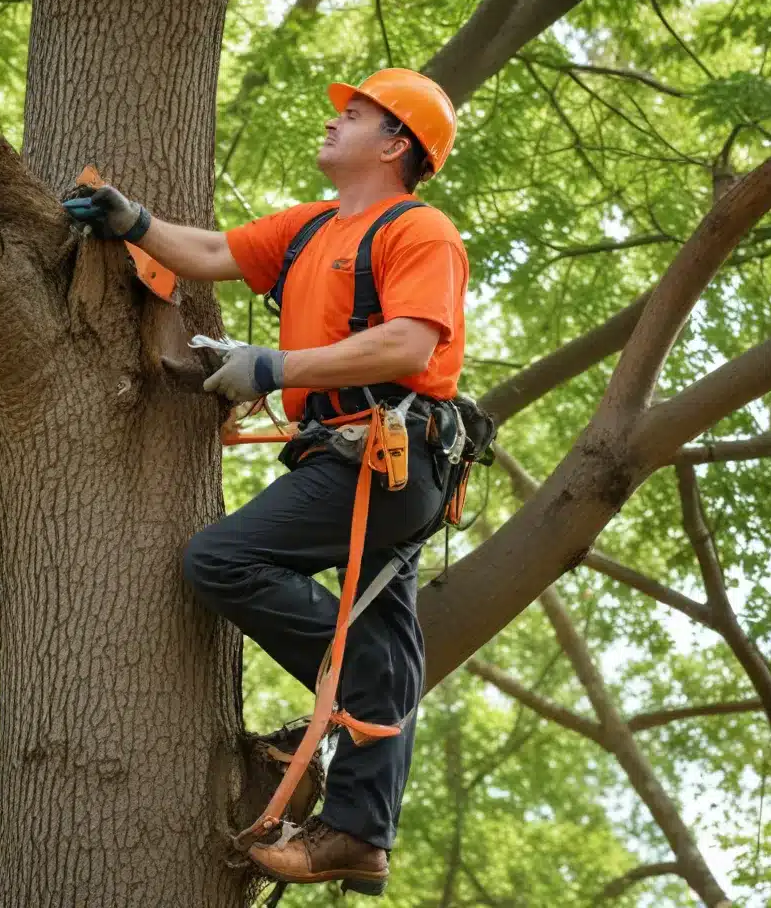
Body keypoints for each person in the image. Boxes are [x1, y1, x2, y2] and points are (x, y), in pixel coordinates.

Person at [64, 68, 468, 896]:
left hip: (391, 457)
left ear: (395, 145)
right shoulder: (313, 228)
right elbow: (213, 254)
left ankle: (354, 693)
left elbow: (407, 347)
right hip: (349, 457)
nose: (332, 124)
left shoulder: (420, 232)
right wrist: (131, 220)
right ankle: (358, 834)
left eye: (352, 117)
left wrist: (275, 366)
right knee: (387, 644)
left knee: (221, 561)